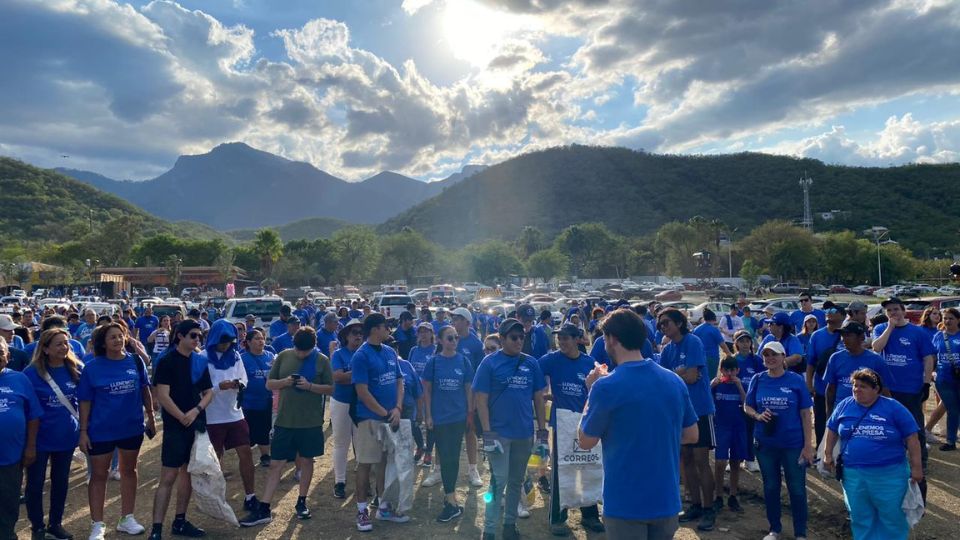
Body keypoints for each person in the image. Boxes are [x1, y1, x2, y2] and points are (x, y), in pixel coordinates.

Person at [578, 309, 698, 540]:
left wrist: (590, 390)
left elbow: (585, 440)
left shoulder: (606, 387)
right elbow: (692, 434)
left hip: (625, 501)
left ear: (612, 339)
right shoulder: (673, 381)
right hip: (665, 499)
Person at [239, 327, 333, 526]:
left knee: (307, 461)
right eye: (298, 350)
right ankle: (264, 508)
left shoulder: (322, 360)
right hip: (284, 421)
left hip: (310, 422)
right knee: (276, 464)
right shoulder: (283, 356)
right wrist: (285, 382)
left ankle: (301, 502)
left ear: (313, 346)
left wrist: (310, 386)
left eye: (304, 352)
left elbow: (332, 389)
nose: (300, 355)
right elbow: (269, 384)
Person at [823, 368, 924, 540]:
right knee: (860, 515)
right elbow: (832, 430)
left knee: (892, 516)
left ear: (876, 389)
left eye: (862, 386)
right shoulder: (844, 405)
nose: (856, 389)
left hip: (889, 475)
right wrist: (827, 454)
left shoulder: (893, 407)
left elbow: (912, 439)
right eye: (854, 385)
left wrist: (917, 468)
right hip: (853, 474)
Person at [78, 323, 155, 540]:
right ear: (103, 342)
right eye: (112, 337)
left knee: (129, 471)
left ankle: (127, 518)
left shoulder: (135, 361)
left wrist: (150, 416)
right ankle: (97, 524)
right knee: (99, 475)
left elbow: (144, 389)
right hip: (101, 430)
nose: (118, 340)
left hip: (131, 427)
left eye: (120, 336)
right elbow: (84, 401)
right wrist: (83, 431)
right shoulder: (92, 367)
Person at [474, 317, 548, 540]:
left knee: (516, 481)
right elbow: (480, 400)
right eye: (514, 337)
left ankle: (509, 526)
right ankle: (489, 530)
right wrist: (487, 433)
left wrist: (542, 431)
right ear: (503, 339)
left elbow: (538, 397)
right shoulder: (489, 363)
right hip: (499, 434)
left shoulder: (531, 363)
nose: (518, 341)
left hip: (524, 433)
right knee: (499, 479)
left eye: (521, 337)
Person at [744, 341, 815, 540]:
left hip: (792, 444)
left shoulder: (795, 380)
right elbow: (747, 406)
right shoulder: (758, 379)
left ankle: (801, 533)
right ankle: (774, 529)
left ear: (783, 357)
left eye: (774, 354)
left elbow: (805, 414)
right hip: (766, 444)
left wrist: (807, 446)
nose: (770, 358)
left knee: (797, 489)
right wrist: (757, 416)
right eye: (766, 355)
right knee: (771, 486)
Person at [149, 320, 213, 540]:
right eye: (194, 336)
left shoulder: (199, 360)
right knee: (168, 476)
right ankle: (156, 529)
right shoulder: (167, 360)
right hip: (175, 427)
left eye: (200, 336)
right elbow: (162, 395)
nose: (197, 340)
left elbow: (209, 392)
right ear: (180, 336)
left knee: (188, 474)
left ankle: (180, 521)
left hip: (195, 424)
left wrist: (195, 412)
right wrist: (181, 416)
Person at [539, 323, 604, 536]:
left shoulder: (588, 363)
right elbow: (534, 370)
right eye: (560, 338)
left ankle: (590, 515)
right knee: (561, 470)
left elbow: (601, 387)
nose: (562, 342)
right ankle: (558, 517)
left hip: (585, 425)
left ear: (577, 339)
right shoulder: (552, 360)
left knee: (587, 466)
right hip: (562, 425)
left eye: (566, 338)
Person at [657, 308, 716, 531]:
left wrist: (676, 375)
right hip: (678, 413)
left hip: (699, 409)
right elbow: (664, 381)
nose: (663, 326)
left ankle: (709, 509)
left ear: (680, 323)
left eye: (667, 322)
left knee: (701, 460)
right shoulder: (666, 350)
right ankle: (696, 505)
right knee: (686, 459)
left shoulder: (693, 342)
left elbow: (693, 377)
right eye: (660, 324)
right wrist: (680, 373)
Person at [350, 313, 409, 531]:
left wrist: (398, 408)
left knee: (384, 462)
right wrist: (384, 412)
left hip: (390, 416)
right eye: (386, 326)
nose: (389, 330)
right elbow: (362, 391)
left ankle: (383, 506)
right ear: (375, 329)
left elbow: (399, 381)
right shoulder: (361, 356)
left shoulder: (390, 351)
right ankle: (362, 511)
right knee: (365, 463)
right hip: (369, 418)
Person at [23, 329, 83, 540]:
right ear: (45, 349)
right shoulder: (30, 373)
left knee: (60, 482)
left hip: (66, 437)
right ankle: (37, 526)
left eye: (66, 343)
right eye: (58, 344)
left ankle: (55, 524)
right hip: (39, 440)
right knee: (35, 484)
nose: (64, 347)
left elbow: (84, 402)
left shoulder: (75, 369)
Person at [872, 296, 935, 497]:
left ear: (903, 310)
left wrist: (926, 383)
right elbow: (877, 348)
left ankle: (921, 461)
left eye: (896, 310)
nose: (893, 314)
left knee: (914, 425)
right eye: (889, 311)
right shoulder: (881, 329)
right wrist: (890, 328)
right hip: (887, 388)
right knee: (888, 425)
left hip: (911, 388)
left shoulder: (917, 332)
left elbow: (927, 358)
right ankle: (892, 459)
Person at [421, 325, 474, 523]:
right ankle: (451, 499)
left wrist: (470, 413)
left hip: (458, 417)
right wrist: (428, 415)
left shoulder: (464, 361)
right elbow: (426, 390)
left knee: (452, 457)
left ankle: (450, 498)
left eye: (456, 338)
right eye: (450, 338)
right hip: (440, 418)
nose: (454, 341)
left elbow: (469, 389)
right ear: (440, 341)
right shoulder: (433, 363)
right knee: (446, 457)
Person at [0, 336, 41, 540]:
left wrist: (31, 446)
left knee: (8, 502)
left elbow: (33, 416)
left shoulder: (19, 379)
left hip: (11, 457)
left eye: (0, 352)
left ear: (7, 356)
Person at [824, 321, 894, 414]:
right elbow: (830, 389)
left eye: (848, 335)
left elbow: (885, 391)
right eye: (842, 335)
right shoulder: (835, 358)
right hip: (841, 413)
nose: (844, 339)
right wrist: (829, 415)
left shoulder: (876, 360)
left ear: (861, 337)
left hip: (867, 414)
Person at [451, 307, 484, 487]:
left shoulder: (475, 343)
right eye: (454, 318)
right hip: (449, 395)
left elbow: (480, 372)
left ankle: (473, 469)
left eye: (458, 319)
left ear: (466, 322)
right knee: (445, 432)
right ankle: (439, 468)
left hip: (469, 394)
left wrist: (476, 400)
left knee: (470, 432)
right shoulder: (449, 338)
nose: (454, 322)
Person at [328, 319, 361, 499]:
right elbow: (338, 377)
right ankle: (339, 481)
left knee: (361, 442)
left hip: (361, 402)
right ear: (346, 336)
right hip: (341, 401)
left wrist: (350, 376)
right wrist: (359, 375)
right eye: (354, 332)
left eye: (360, 332)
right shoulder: (340, 353)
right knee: (341, 443)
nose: (358, 335)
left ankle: (363, 482)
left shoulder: (365, 353)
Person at [711, 356, 749, 513]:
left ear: (737, 370)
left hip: (738, 427)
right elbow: (707, 402)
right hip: (722, 427)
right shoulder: (716, 385)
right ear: (721, 370)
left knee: (735, 462)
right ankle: (718, 495)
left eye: (733, 370)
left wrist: (739, 386)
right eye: (726, 370)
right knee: (720, 462)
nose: (730, 373)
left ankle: (733, 495)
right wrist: (711, 386)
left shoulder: (742, 384)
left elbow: (748, 404)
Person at [804, 301, 844, 446]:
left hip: (843, 389)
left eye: (833, 310)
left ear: (842, 316)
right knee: (821, 420)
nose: (829, 312)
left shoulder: (848, 334)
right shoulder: (816, 336)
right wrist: (809, 384)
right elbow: (810, 363)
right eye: (827, 310)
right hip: (821, 387)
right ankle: (821, 450)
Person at [240, 329, 276, 468]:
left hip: (267, 400)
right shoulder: (242, 358)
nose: (261, 341)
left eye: (262, 338)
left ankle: (265, 455)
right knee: (247, 432)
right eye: (256, 338)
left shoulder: (270, 356)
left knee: (264, 429)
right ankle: (246, 457)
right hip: (248, 403)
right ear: (248, 342)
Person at [932, 307, 960, 450]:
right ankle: (950, 441)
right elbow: (931, 356)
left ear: (958, 320)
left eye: (951, 318)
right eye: (945, 318)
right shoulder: (938, 336)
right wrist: (931, 372)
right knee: (952, 409)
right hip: (944, 379)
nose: (948, 321)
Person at [693, 308, 732, 380]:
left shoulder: (696, 329)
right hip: (712, 358)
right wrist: (729, 354)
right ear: (714, 319)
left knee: (699, 379)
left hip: (698, 358)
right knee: (711, 379)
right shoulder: (714, 329)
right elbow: (722, 345)